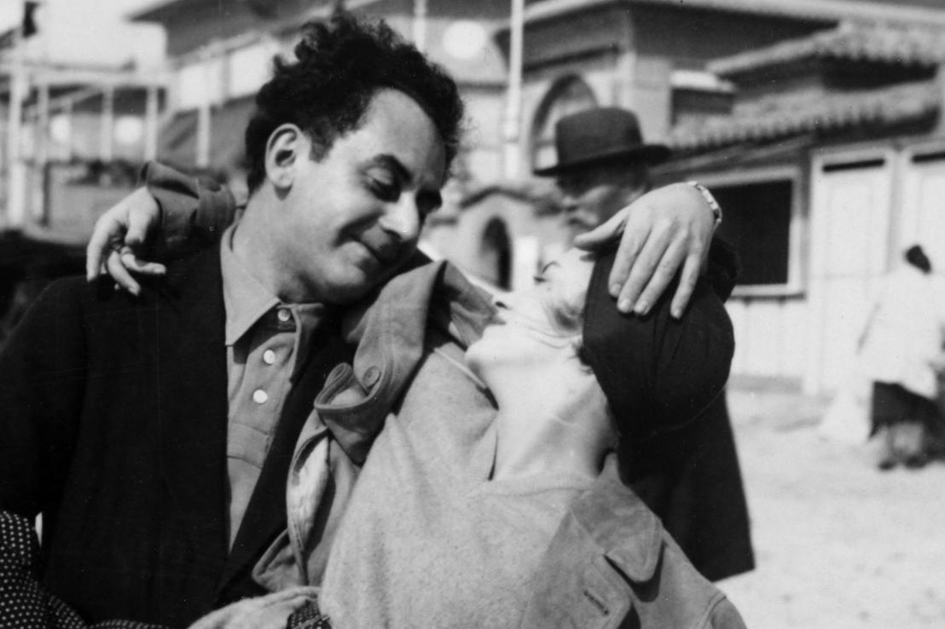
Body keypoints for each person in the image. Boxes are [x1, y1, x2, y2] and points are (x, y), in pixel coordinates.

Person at [0, 12, 721, 627]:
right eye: (382, 182)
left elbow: (634, 339)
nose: (407, 223)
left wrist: (695, 204)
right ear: (286, 155)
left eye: (426, 202)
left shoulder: (402, 344)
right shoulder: (96, 318)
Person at [192, 246, 744, 629]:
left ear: (585, 352)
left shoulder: (618, 568)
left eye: (542, 286)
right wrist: (695, 204)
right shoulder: (443, 380)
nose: (501, 300)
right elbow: (343, 239)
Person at [533, 106, 753, 580]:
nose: (566, 200)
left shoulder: (667, 246)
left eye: (581, 183)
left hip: (665, 475)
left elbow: (709, 261)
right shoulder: (588, 260)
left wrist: (695, 201)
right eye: (563, 186)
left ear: (633, 180)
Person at [859, 244, 945, 469]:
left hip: (886, 356)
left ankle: (887, 454)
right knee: (917, 406)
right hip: (919, 356)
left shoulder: (889, 281)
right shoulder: (931, 285)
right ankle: (913, 454)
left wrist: (862, 341)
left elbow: (868, 312)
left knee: (887, 407)